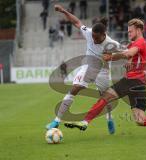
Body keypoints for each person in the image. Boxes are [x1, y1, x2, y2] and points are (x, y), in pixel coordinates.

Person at [64, 18, 146, 136]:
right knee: (140, 119)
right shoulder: (138, 43)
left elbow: (129, 53)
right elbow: (134, 56)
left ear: (138, 30)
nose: (128, 33)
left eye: (130, 31)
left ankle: (85, 122)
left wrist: (111, 57)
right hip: (139, 83)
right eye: (128, 31)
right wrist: (132, 65)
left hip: (132, 80)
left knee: (105, 97)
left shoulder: (139, 42)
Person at [46, 4, 119, 134]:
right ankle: (57, 121)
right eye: (93, 37)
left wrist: (114, 57)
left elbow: (127, 53)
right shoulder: (89, 32)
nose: (94, 40)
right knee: (74, 88)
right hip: (88, 67)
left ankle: (109, 118)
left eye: (97, 38)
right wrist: (63, 11)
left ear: (104, 35)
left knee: (105, 98)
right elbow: (76, 21)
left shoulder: (112, 44)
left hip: (103, 71)